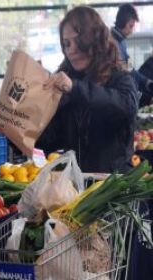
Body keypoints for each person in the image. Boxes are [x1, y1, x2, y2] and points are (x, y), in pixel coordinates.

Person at [37, 6, 138, 173]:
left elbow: (126, 107)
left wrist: (75, 89)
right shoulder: (63, 88)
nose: (71, 49)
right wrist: (15, 128)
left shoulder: (119, 78)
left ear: (95, 40)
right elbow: (49, 141)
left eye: (79, 41)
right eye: (66, 43)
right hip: (76, 189)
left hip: (113, 188)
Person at [111, 3, 153, 102]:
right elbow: (125, 71)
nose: (131, 31)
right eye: (131, 26)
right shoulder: (111, 43)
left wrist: (147, 83)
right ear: (123, 22)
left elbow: (129, 68)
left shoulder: (122, 42)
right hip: (119, 93)